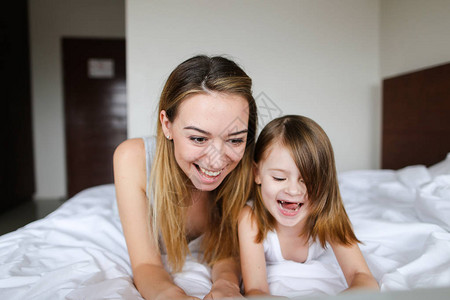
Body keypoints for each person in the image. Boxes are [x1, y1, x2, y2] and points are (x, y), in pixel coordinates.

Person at [113, 55, 257, 300]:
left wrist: (227, 285)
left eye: (234, 139)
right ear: (167, 125)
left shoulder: (248, 166)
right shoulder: (132, 158)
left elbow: (226, 250)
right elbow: (146, 265)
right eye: (199, 139)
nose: (216, 160)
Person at [238, 115, 379, 297]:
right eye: (279, 178)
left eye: (308, 180)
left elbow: (362, 276)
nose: (294, 190)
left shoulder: (326, 211)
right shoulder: (250, 219)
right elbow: (256, 290)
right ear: (257, 173)